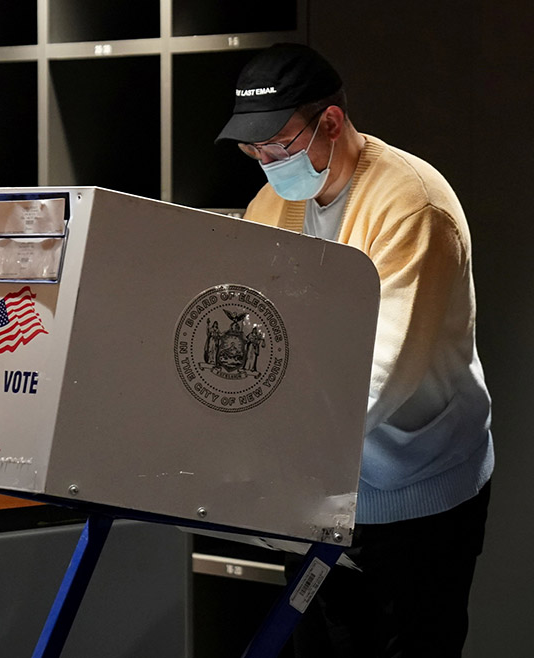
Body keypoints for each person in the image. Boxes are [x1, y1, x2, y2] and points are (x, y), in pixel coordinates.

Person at [215, 43, 494, 657]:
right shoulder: (271, 205)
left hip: (419, 482)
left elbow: (383, 372)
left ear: (331, 123)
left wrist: (265, 451)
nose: (266, 162)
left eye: (279, 146)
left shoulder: (412, 205)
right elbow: (256, 332)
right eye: (253, 150)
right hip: (320, 488)